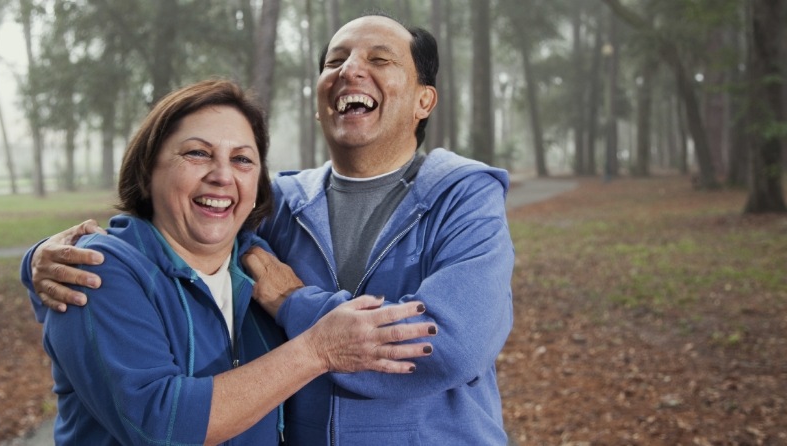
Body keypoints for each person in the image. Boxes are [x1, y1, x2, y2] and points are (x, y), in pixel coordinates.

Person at [26, 14, 514, 445]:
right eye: (335, 60)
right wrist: (40, 260)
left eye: (380, 59)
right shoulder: (276, 203)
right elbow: (178, 231)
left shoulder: (464, 197)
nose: (349, 69)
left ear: (423, 100)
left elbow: (448, 343)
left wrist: (294, 304)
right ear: (320, 99)